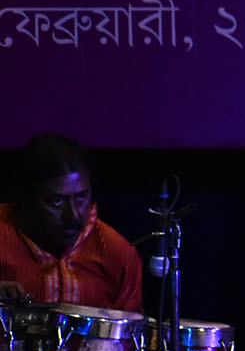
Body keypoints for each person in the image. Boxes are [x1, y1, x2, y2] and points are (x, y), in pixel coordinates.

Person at [0, 133, 143, 311]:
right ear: (25, 199)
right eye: (57, 201)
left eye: (81, 198)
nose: (73, 215)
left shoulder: (117, 253)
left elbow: (132, 333)